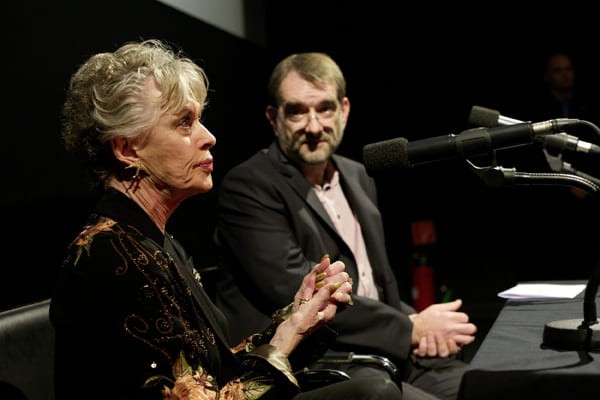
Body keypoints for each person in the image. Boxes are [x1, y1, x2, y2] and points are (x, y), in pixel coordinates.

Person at [48, 39, 404, 400]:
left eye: (199, 120)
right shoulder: (112, 258)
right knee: (374, 393)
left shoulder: (152, 241)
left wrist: (296, 322)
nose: (209, 137)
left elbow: (216, 370)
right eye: (184, 123)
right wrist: (287, 340)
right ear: (127, 149)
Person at [213, 52, 478, 400]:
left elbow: (373, 285)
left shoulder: (357, 175)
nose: (313, 126)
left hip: (381, 351)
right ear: (273, 118)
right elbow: (295, 290)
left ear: (344, 110)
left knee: (489, 385)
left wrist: (420, 324)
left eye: (325, 109)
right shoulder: (249, 185)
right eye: (297, 112)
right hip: (317, 362)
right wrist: (409, 328)